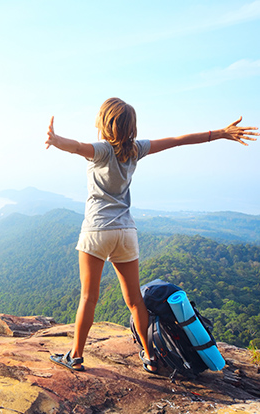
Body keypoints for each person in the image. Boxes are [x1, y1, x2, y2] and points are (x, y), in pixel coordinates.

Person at [45, 97, 258, 373]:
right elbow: (177, 140)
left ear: (105, 124)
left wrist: (55, 138)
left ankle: (75, 356)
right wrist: (220, 134)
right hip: (126, 232)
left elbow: (75, 147)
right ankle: (150, 356)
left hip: (97, 229)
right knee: (134, 300)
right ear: (130, 126)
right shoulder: (136, 149)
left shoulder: (101, 150)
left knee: (88, 297)